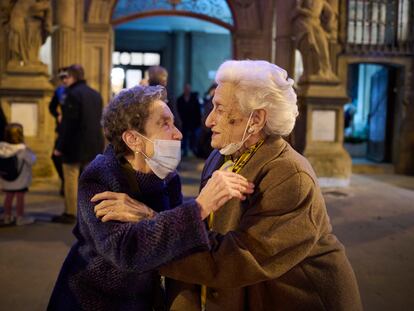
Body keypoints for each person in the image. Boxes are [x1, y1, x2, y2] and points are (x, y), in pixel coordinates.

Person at [96, 60, 363, 310]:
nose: (209, 120)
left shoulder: (290, 175)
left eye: (220, 109)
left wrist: (151, 222)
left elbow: (234, 260)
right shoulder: (223, 153)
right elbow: (210, 223)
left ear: (255, 120)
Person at [48, 85, 253, 310]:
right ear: (133, 140)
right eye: (164, 124)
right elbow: (127, 251)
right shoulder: (100, 176)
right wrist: (199, 207)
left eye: (173, 122)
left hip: (143, 300)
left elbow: (173, 240)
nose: (178, 133)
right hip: (92, 300)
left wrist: (147, 215)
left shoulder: (167, 177)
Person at [52, 64, 104, 224]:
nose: (64, 80)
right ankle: (90, 212)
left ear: (73, 77)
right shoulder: (95, 94)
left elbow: (68, 124)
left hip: (74, 145)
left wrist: (59, 146)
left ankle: (70, 212)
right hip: (94, 144)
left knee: (71, 177)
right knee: (89, 179)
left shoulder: (72, 94)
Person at [0, 123, 36, 226]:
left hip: (6, 180)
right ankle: (20, 217)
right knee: (20, 198)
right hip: (21, 181)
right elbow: (32, 160)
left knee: (8, 197)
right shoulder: (23, 150)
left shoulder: (2, 148)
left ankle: (7, 216)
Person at [7, 0, 51, 65]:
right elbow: (34, 9)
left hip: (25, 26)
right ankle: (28, 59)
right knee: (19, 43)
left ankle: (29, 59)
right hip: (20, 25)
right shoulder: (27, 3)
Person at [49, 67, 68, 196]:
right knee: (56, 156)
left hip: (73, 130)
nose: (64, 80)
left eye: (66, 77)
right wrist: (57, 114)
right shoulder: (59, 91)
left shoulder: (76, 91)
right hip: (62, 129)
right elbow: (52, 107)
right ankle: (64, 180)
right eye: (62, 78)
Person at [148, 65, 182, 130]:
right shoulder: (167, 95)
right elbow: (175, 117)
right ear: (163, 79)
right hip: (165, 130)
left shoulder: (143, 94)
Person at [176, 84, 202, 157]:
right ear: (184, 89)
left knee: (193, 137)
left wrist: (198, 121)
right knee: (183, 137)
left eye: (188, 89)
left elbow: (198, 111)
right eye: (186, 89)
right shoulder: (180, 99)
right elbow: (178, 111)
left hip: (192, 122)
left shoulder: (194, 99)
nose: (187, 90)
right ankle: (184, 151)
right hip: (183, 122)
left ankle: (192, 150)